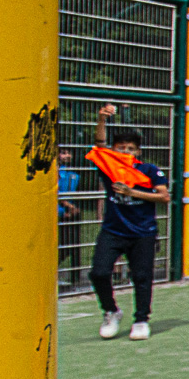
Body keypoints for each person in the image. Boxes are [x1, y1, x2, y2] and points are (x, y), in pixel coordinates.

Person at [85, 103, 169, 340]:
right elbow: (99, 145)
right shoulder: (109, 168)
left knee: (142, 276)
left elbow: (164, 196)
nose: (125, 152)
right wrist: (101, 118)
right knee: (99, 273)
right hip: (113, 231)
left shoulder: (149, 170)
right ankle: (111, 311)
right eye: (120, 148)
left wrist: (133, 193)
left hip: (143, 232)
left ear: (138, 152)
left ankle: (141, 319)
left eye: (130, 149)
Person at [57, 148, 86, 290]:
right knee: (61, 244)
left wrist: (75, 209)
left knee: (73, 245)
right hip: (59, 213)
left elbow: (78, 194)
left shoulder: (74, 174)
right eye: (63, 152)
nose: (67, 156)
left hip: (71, 214)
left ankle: (75, 277)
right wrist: (68, 206)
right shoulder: (55, 172)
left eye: (69, 152)